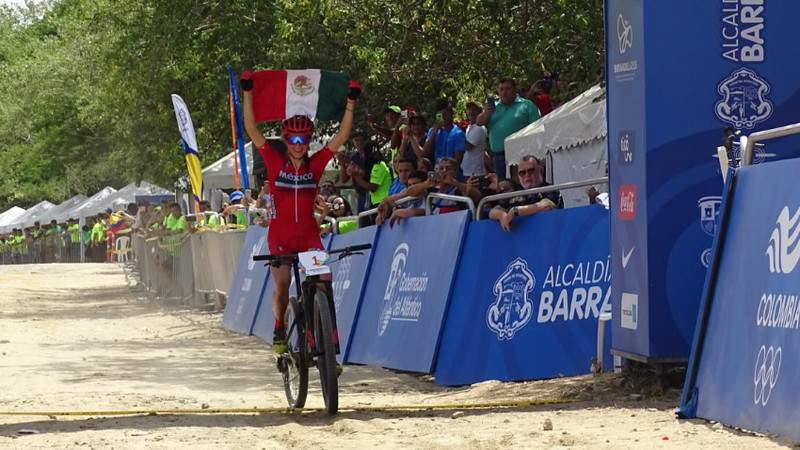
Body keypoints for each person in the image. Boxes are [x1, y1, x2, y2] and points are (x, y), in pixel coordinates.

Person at [242, 73, 359, 355]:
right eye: (293, 138)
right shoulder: (273, 159)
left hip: (309, 237)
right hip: (281, 237)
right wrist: (248, 93)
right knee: (283, 283)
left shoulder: (316, 164)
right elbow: (252, 129)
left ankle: (328, 348)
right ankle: (280, 325)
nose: (298, 144)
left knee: (324, 282)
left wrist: (351, 103)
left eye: (304, 139)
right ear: (286, 139)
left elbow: (341, 136)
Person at [477, 77, 540, 179]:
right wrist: (486, 113)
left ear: (515, 89)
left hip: (522, 155)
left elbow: (537, 128)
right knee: (504, 187)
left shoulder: (527, 105)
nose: (504, 92)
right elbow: (479, 122)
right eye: (501, 89)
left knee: (524, 185)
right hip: (499, 157)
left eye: (507, 89)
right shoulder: (493, 108)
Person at [489, 155, 561, 231]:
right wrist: (501, 215)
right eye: (522, 173)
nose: (527, 175)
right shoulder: (517, 194)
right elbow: (493, 211)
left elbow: (546, 205)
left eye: (531, 171)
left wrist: (516, 211)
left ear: (541, 170)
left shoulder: (550, 189)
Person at [423, 99, 465, 164]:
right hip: (437, 170)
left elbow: (458, 160)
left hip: (451, 171)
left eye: (445, 114)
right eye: (440, 116)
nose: (443, 118)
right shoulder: (433, 131)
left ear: (452, 114)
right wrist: (434, 132)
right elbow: (424, 154)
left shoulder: (458, 133)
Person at [462, 101, 488, 177]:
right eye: (469, 109)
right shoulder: (469, 127)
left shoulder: (479, 128)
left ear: (480, 112)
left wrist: (458, 134)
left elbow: (468, 146)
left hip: (475, 172)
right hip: (468, 170)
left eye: (474, 110)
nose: (471, 112)